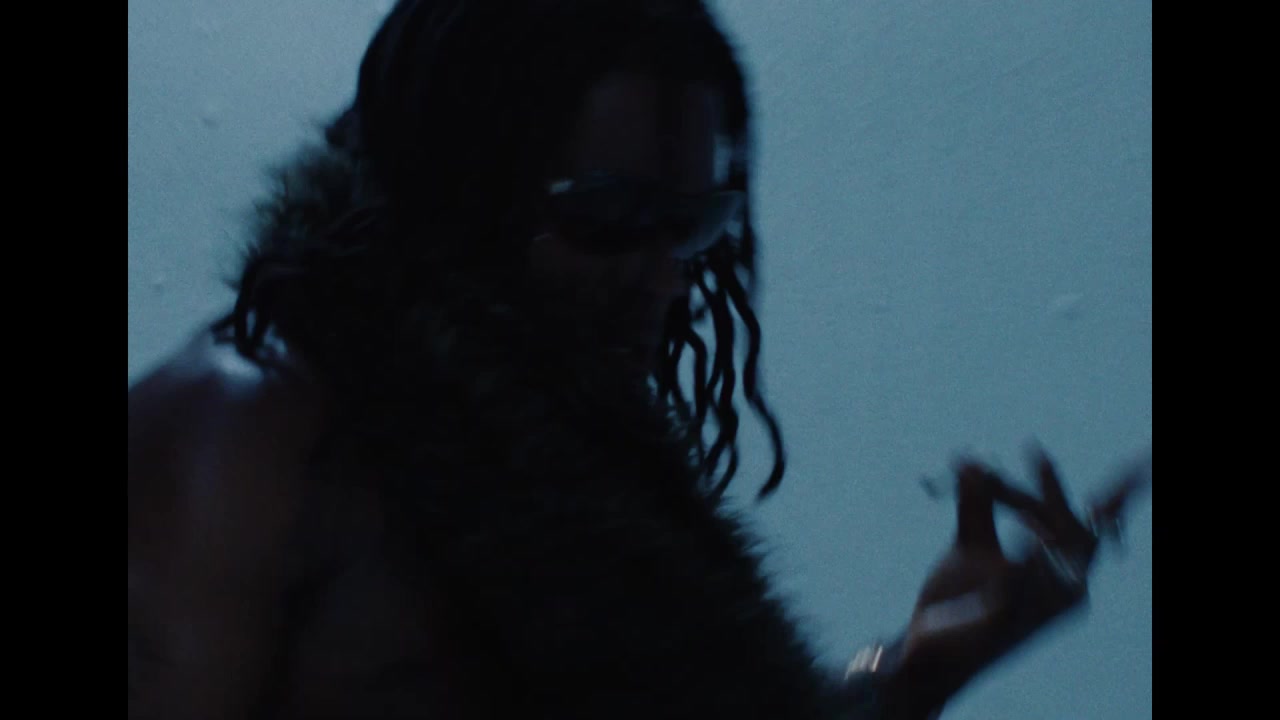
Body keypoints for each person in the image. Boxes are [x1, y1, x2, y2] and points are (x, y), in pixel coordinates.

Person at [127, 1, 1149, 717]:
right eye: (608, 216)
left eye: (693, 225)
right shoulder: (244, 435)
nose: (663, 277)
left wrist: (918, 669)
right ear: (454, 185)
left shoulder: (558, 452)